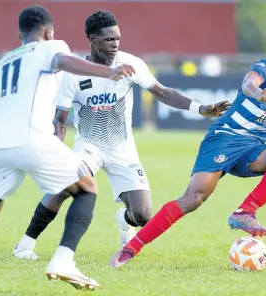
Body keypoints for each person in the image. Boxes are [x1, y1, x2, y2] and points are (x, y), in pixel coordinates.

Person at [109, 23, 266, 268]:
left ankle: (245, 212)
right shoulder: (264, 68)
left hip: (252, 149)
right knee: (193, 198)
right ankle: (130, 248)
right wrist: (256, 93)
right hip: (224, 139)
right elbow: (249, 84)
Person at [12, 10, 230, 260]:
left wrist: (199, 108)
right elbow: (60, 121)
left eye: (117, 39)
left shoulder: (130, 64)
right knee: (64, 186)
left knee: (143, 215)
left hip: (122, 149)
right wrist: (56, 153)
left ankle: (123, 218)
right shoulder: (73, 73)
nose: (115, 44)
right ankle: (25, 245)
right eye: (108, 40)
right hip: (89, 147)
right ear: (92, 39)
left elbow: (161, 91)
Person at [0, 5, 136, 290]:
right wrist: (107, 73)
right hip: (32, 139)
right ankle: (63, 259)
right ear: (48, 31)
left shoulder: (4, 61)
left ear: (20, 34)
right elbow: (63, 60)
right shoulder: (51, 46)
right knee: (87, 188)